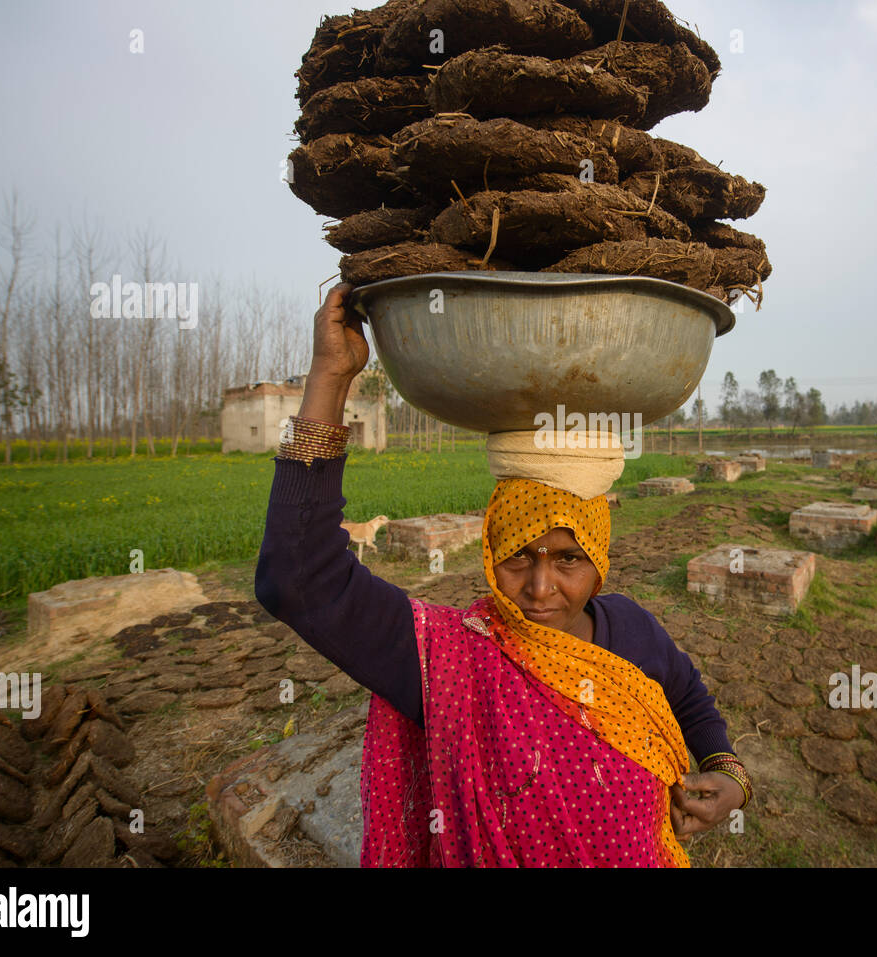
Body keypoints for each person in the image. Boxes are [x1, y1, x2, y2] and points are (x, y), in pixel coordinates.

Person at [254, 283, 751, 867]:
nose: (541, 590)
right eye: (519, 556)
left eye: (568, 559)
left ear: (599, 561)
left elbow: (689, 696)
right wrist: (331, 378)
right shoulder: (449, 660)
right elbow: (297, 578)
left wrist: (730, 774)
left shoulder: (634, 629)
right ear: (491, 553)